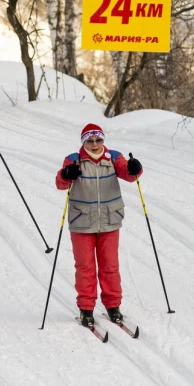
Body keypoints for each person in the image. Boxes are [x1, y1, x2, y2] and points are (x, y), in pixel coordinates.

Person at [55, 123, 143, 327]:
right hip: (82, 222)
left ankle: (113, 306)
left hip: (109, 221)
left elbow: (129, 174)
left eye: (98, 140)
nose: (94, 144)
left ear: (103, 140)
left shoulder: (113, 158)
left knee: (110, 266)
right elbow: (60, 183)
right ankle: (86, 309)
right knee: (85, 267)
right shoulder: (74, 160)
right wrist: (66, 174)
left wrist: (135, 168)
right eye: (90, 140)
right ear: (84, 142)